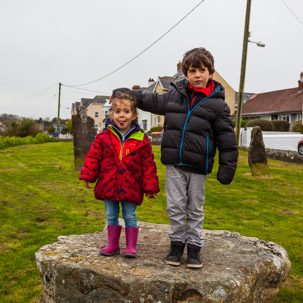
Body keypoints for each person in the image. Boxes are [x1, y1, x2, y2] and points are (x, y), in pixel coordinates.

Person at [112, 47, 238, 268]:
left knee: (194, 208)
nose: (197, 75)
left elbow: (227, 138)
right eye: (192, 70)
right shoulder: (175, 96)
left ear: (211, 72)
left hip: (198, 167)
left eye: (202, 70)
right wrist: (131, 95)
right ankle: (177, 244)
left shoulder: (218, 105)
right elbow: (150, 100)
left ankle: (195, 248)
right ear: (186, 74)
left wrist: (227, 166)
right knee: (175, 206)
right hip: (174, 165)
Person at [79, 92, 159, 258]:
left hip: (131, 185)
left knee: (130, 215)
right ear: (112, 114)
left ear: (134, 115)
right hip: (109, 183)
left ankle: (131, 247)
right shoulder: (103, 137)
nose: (122, 115)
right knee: (111, 215)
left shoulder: (141, 140)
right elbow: (94, 157)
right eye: (117, 112)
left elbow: (148, 165)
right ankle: (113, 245)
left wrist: (150, 186)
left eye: (126, 111)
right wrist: (88, 175)